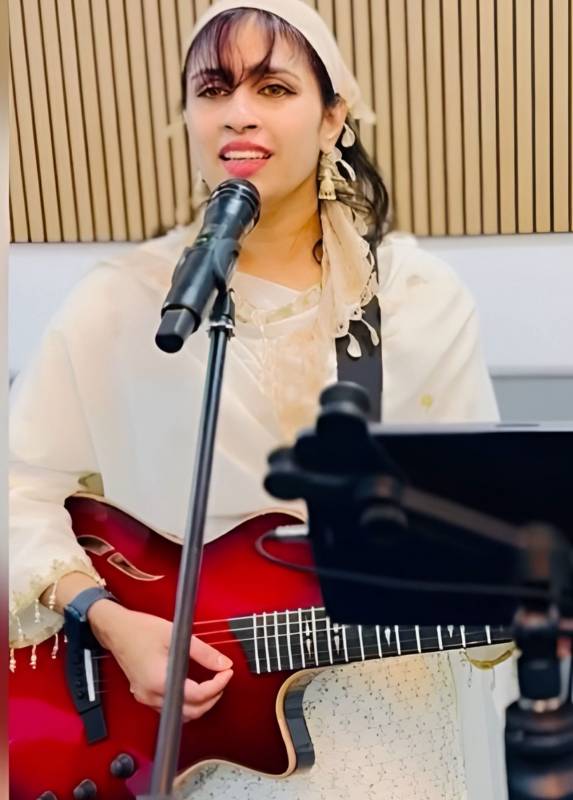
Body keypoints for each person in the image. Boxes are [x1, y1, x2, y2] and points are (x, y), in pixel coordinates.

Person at [9, 1, 517, 797]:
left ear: (332, 117)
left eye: (273, 88)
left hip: (391, 712)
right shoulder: (122, 303)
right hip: (195, 728)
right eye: (213, 89)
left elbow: (479, 525)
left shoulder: (417, 298)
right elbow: (20, 489)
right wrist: (104, 616)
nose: (237, 114)